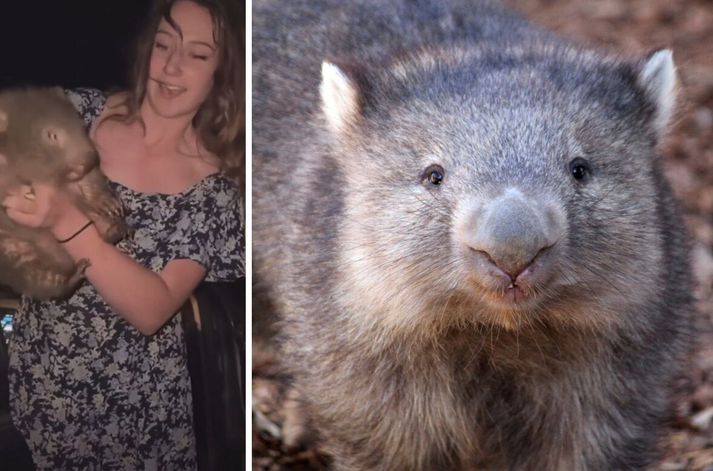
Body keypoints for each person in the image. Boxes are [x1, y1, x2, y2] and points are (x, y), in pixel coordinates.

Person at [1, 0, 244, 468]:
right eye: (163, 44)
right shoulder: (80, 114)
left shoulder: (214, 192)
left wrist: (65, 219)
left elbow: (152, 309)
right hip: (42, 388)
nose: (171, 66)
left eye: (197, 54)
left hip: (134, 414)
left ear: (221, 72)